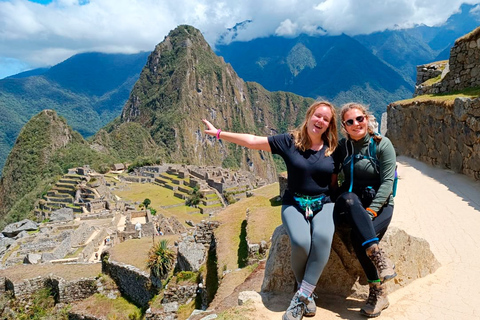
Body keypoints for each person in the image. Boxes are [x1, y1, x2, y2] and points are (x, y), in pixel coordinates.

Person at [203, 101, 338, 320]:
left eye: (326, 119)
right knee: (301, 242)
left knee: (322, 237)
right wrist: (219, 133)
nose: (320, 121)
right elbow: (253, 141)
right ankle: (307, 291)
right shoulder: (289, 142)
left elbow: (345, 172)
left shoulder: (333, 149)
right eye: (318, 115)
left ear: (330, 125)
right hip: (293, 203)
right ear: (309, 115)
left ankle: (302, 296)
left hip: (323, 202)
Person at [332, 102, 397, 318]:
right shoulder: (343, 148)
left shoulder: (382, 145)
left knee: (360, 241)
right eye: (350, 121)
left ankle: (378, 292)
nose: (356, 124)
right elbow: (325, 168)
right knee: (349, 199)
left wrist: (371, 213)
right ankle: (379, 257)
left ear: (366, 119)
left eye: (359, 118)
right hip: (351, 204)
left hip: (381, 204)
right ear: (344, 126)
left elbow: (387, 183)